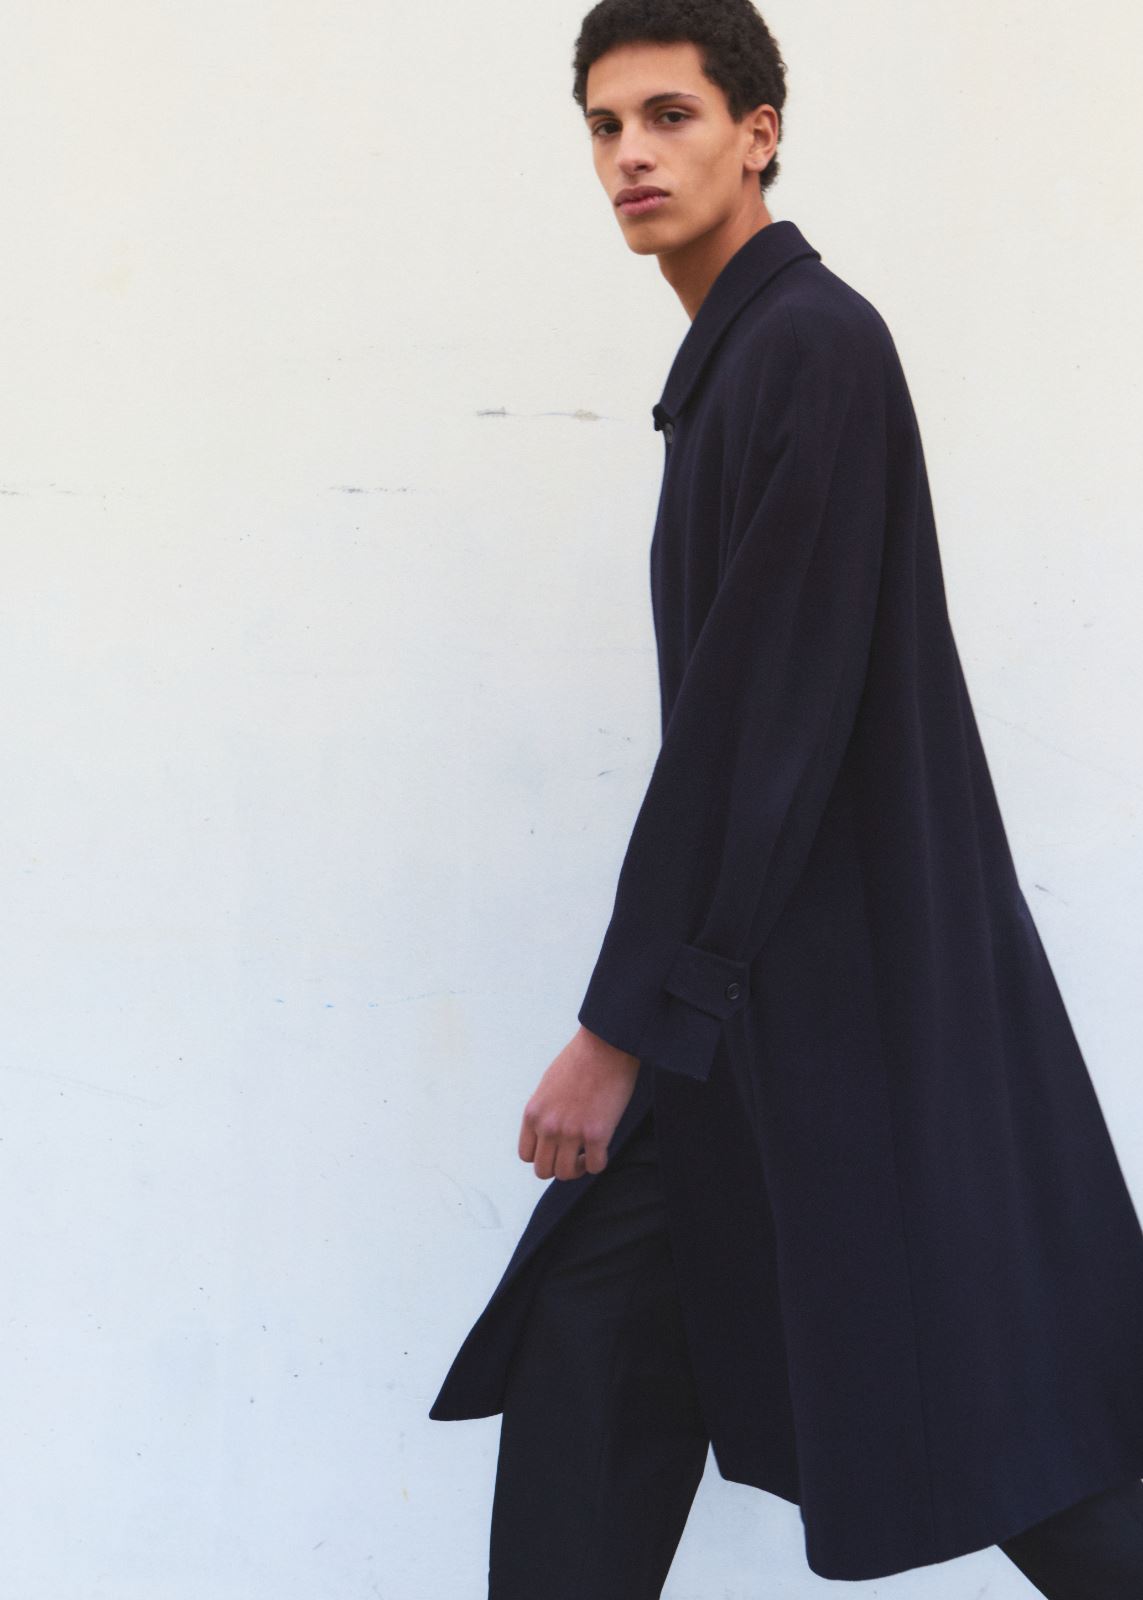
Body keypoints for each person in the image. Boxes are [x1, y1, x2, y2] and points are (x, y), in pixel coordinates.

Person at [429, 2, 1143, 1594]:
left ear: (759, 134)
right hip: (748, 1019)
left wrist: (619, 1029)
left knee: (1016, 1435)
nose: (630, 154)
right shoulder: (741, 363)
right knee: (594, 1352)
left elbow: (756, 731)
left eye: (669, 115)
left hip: (832, 1027)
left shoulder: (810, 346)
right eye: (604, 126)